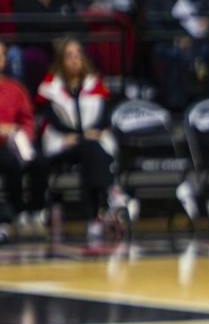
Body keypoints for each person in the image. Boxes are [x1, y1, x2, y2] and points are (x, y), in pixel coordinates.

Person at [35, 36, 125, 242]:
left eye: (78, 55)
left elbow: (104, 118)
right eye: (69, 56)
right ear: (61, 60)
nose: (75, 59)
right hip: (63, 145)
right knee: (91, 148)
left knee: (90, 150)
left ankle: (95, 217)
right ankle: (109, 196)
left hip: (89, 144)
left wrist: (91, 133)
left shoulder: (95, 84)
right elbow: (53, 121)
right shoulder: (50, 88)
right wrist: (80, 136)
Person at [0, 34, 45, 241]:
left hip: (15, 143)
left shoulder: (16, 88)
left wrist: (22, 134)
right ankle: (15, 213)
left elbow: (28, 119)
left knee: (40, 161)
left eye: (1, 55)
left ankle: (35, 213)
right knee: (9, 163)